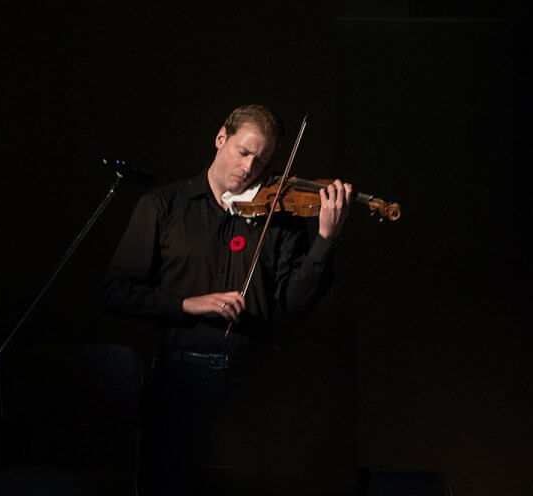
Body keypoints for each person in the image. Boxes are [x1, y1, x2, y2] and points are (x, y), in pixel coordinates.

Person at [101, 104, 353, 495]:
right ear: (221, 138)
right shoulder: (163, 206)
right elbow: (116, 292)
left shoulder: (280, 215)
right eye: (243, 152)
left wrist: (325, 240)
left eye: (262, 160)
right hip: (178, 383)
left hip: (251, 389)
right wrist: (187, 304)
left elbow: (295, 304)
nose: (250, 167)